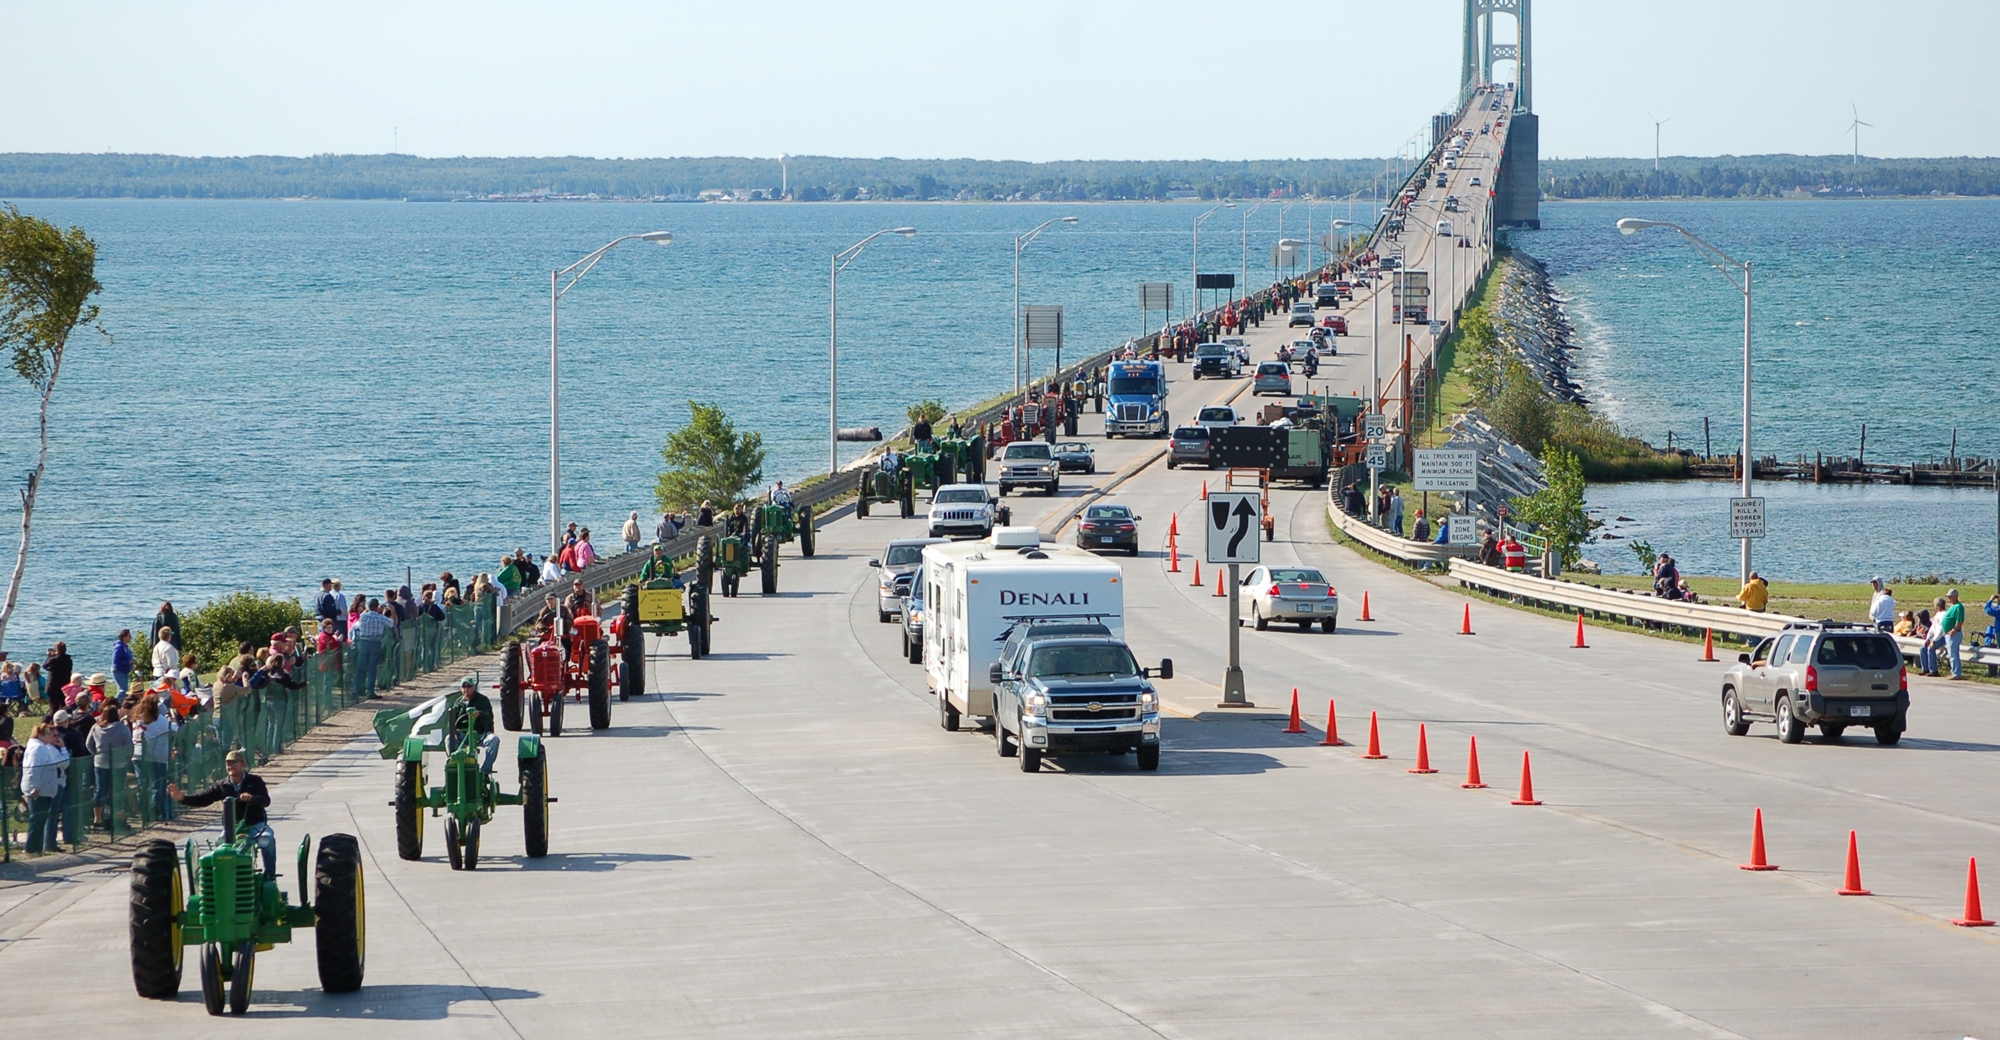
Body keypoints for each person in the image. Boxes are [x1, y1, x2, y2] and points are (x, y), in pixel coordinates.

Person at [169, 750, 274, 877]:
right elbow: (203, 798)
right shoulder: (222, 785)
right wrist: (182, 798)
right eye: (228, 764)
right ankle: (224, 877)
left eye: (234, 763)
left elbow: (266, 801)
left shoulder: (255, 781)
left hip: (255, 825)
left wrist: (252, 798)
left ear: (243, 764)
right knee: (221, 845)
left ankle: (269, 875)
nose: (231, 767)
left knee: (267, 840)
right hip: (231, 828)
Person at [22, 722, 68, 854]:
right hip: (38, 790)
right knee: (37, 820)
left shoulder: (42, 747)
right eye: (48, 733)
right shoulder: (37, 749)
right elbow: (33, 769)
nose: (50, 736)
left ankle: (37, 848)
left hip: (45, 789)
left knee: (40, 820)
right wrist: (34, 787)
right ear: (40, 735)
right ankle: (31, 848)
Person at [451, 675, 499, 774]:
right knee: (449, 739)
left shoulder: (483, 700)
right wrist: (456, 731)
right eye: (464, 687)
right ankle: (454, 764)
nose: (466, 689)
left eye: (469, 687)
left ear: (474, 687)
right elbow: (452, 722)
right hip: (464, 735)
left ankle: (485, 771)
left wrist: (479, 714)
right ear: (461, 689)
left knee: (494, 740)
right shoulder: (457, 703)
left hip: (481, 734)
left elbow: (489, 717)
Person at [349, 600, 393, 699]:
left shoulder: (363, 616)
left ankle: (357, 690)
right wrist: (383, 611)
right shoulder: (380, 617)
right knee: (372, 668)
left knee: (360, 667)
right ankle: (370, 691)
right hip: (375, 642)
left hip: (363, 642)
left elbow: (360, 621)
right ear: (377, 607)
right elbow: (391, 623)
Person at [1941, 588, 1967, 680]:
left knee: (1953, 654)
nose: (1949, 598)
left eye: (1950, 597)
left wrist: (1954, 630)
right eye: (1948, 597)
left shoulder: (1959, 607)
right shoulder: (1953, 606)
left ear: (1955, 597)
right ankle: (1954, 672)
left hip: (1954, 634)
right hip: (1948, 634)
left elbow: (1959, 621)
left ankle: (1956, 673)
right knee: (1951, 654)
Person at [111, 630, 134, 696]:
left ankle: (121, 703)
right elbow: (116, 660)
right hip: (118, 670)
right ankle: (116, 702)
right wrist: (128, 662)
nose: (131, 638)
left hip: (124, 671)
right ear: (124, 637)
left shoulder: (125, 646)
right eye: (129, 636)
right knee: (123, 690)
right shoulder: (119, 647)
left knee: (124, 690)